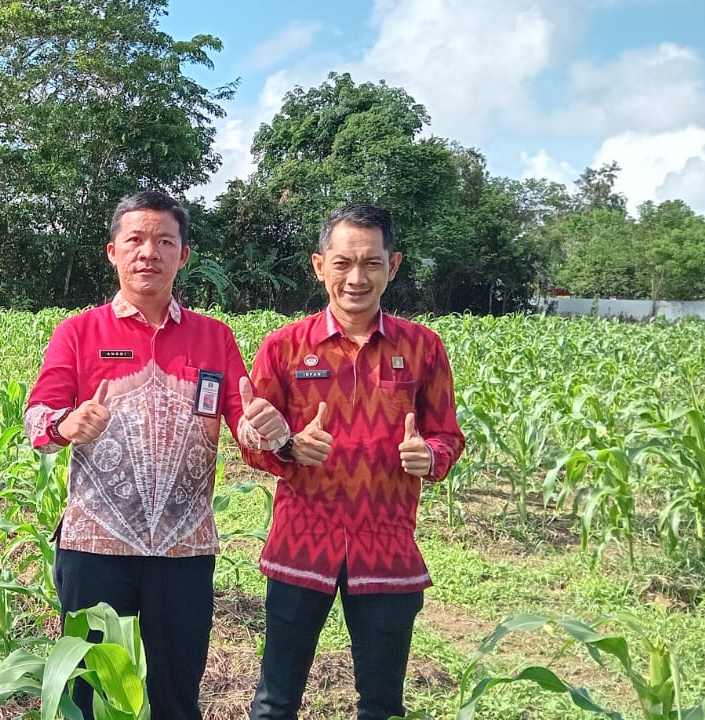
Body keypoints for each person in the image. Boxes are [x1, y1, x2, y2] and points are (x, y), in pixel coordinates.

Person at [23, 191, 288, 720]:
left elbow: (245, 422)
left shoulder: (213, 337)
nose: (150, 252)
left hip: (183, 548)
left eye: (165, 241)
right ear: (113, 252)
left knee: (177, 691)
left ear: (183, 255)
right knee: (91, 692)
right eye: (136, 240)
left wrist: (270, 430)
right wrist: (66, 422)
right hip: (95, 544)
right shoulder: (78, 332)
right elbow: (37, 416)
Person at [241, 203, 465, 720]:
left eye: (371, 263)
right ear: (320, 266)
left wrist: (428, 455)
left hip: (386, 547)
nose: (356, 278)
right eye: (342, 263)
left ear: (394, 265)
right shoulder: (284, 348)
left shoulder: (424, 348)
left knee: (383, 704)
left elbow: (448, 435)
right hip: (301, 544)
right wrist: (288, 446)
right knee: (275, 702)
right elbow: (252, 438)